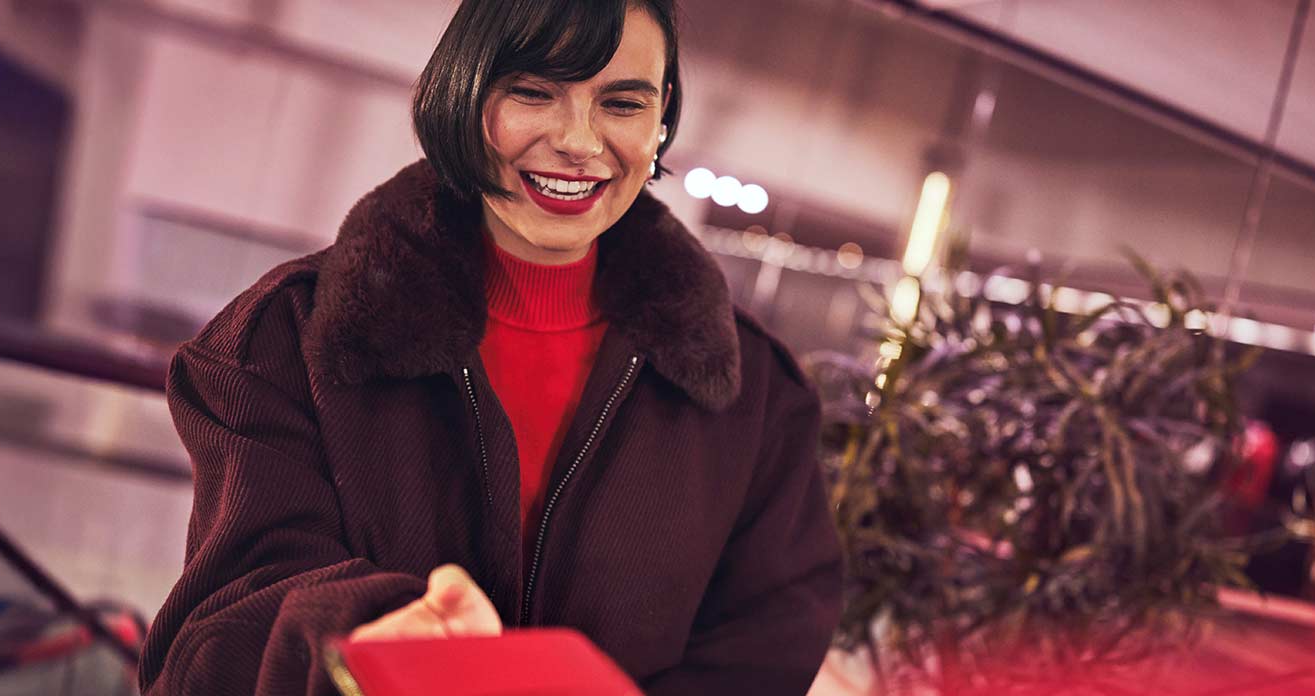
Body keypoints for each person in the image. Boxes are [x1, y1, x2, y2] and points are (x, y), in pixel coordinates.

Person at [136, 1, 842, 693]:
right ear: (463, 97)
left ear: (661, 122)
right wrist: (370, 637)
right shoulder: (287, 337)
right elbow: (213, 640)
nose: (580, 141)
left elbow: (765, 649)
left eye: (622, 104)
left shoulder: (757, 397)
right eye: (534, 92)